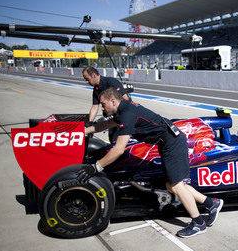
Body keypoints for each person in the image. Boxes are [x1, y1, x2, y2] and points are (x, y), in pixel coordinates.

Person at [78, 87, 223, 237]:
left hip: (172, 142)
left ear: (113, 101)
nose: (101, 108)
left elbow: (119, 149)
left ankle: (198, 223)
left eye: (103, 104)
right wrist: (84, 131)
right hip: (168, 141)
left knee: (176, 185)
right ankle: (212, 203)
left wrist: (96, 167)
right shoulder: (123, 109)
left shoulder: (127, 114)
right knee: (171, 186)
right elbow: (105, 125)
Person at [82, 66, 129, 142]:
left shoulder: (111, 82)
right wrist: (89, 123)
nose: (86, 82)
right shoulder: (96, 89)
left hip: (121, 117)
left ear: (94, 75)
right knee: (112, 139)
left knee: (118, 142)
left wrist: (118, 113)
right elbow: (95, 106)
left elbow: (126, 99)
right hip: (111, 119)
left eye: (87, 79)